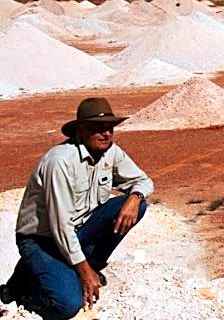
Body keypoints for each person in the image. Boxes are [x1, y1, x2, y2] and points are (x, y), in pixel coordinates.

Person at [0, 98, 153, 320]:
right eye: (97, 129)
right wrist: (83, 271)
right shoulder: (60, 162)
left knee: (135, 206)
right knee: (68, 305)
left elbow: (144, 181)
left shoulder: (111, 152)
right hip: (42, 238)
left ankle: (89, 265)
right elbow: (60, 226)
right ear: (81, 130)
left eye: (109, 128)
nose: (106, 134)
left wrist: (135, 196)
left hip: (80, 229)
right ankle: (24, 293)